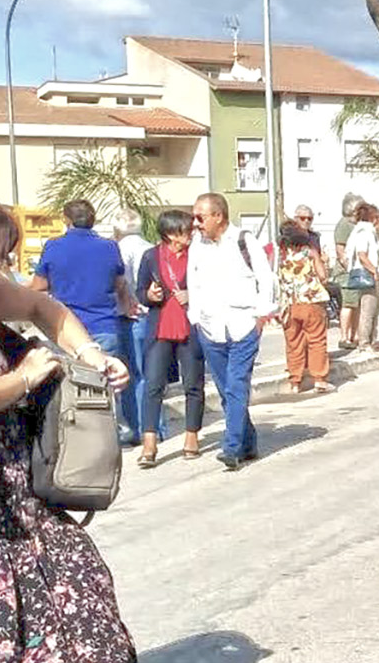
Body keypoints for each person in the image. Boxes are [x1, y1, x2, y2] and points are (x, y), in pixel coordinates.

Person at [0, 191, 152, 663]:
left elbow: (46, 309)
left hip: (20, 496)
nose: (5, 267)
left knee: (82, 603)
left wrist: (92, 356)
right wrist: (24, 377)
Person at [29, 199, 135, 444]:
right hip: (104, 325)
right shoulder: (109, 247)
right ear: (93, 219)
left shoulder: (54, 246)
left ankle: (75, 439)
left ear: (66, 220)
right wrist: (127, 301)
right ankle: (110, 437)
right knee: (108, 384)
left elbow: (39, 285)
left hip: (64, 328)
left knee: (69, 387)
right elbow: (120, 283)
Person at [188, 192, 276, 470]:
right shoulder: (197, 246)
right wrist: (196, 318)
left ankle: (232, 446)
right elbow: (194, 280)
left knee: (237, 384)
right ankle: (248, 442)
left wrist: (262, 315)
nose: (196, 223)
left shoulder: (244, 241)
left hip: (243, 324)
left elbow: (266, 278)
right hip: (211, 327)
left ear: (218, 216)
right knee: (227, 390)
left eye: (200, 217)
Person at [135, 209, 206, 468]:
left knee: (193, 384)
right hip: (160, 328)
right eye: (185, 230)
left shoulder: (198, 255)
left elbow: (209, 286)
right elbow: (139, 291)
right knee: (153, 385)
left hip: (190, 328)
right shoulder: (151, 256)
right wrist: (149, 295)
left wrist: (192, 295)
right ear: (170, 234)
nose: (191, 234)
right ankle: (149, 443)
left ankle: (191, 436)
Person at [111, 209, 158, 444]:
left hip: (128, 314)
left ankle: (138, 428)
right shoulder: (150, 247)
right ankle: (156, 427)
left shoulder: (119, 249)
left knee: (131, 374)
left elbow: (121, 282)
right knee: (150, 373)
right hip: (150, 314)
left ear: (117, 228)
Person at [276, 219, 334, 395]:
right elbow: (322, 275)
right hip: (311, 301)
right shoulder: (310, 252)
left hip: (289, 303)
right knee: (316, 340)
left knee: (294, 343)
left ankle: (295, 381)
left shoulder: (280, 254)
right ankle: (320, 380)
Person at [342, 202, 379, 355]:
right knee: (368, 310)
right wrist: (374, 271)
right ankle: (364, 343)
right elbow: (362, 255)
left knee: (373, 309)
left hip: (369, 274)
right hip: (367, 275)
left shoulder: (364, 231)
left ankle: (372, 340)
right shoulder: (364, 232)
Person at [332, 192, 363, 351]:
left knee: (356, 305)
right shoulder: (344, 224)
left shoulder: (357, 225)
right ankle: (345, 336)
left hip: (357, 271)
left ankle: (355, 335)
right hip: (347, 273)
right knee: (348, 305)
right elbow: (340, 250)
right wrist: (349, 268)